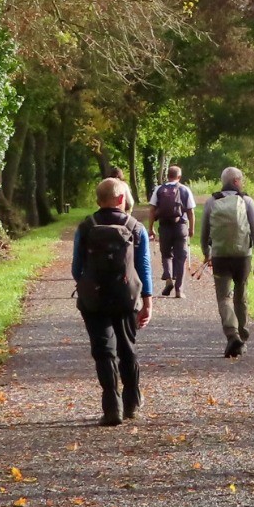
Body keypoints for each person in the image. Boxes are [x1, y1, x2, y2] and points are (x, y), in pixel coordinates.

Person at [72, 177, 153, 425]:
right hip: (126, 298)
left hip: (94, 299)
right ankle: (132, 403)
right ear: (121, 199)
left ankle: (111, 408)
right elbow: (144, 267)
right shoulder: (135, 227)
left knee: (103, 351)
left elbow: (76, 268)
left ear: (98, 200)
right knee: (127, 348)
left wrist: (89, 285)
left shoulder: (86, 227)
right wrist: (148, 301)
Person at [200, 166, 254, 358]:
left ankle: (232, 334)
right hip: (243, 256)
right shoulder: (247, 201)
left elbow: (204, 232)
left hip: (220, 256)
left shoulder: (212, 202)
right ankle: (242, 337)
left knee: (223, 297)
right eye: (241, 180)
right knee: (240, 295)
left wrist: (206, 253)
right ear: (236, 181)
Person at [149, 165, 195, 298]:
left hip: (164, 227)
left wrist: (151, 228)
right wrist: (191, 228)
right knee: (181, 258)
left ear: (167, 176)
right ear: (179, 176)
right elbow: (191, 212)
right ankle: (179, 290)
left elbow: (152, 210)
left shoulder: (159, 189)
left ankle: (168, 278)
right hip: (180, 227)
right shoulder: (184, 189)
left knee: (166, 255)